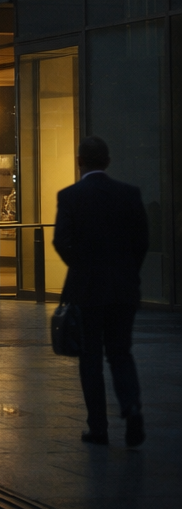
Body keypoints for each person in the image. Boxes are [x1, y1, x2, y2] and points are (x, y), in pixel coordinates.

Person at [54, 136, 149, 447]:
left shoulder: (70, 196)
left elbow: (61, 240)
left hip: (87, 291)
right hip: (123, 288)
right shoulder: (129, 194)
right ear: (107, 162)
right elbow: (142, 242)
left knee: (90, 358)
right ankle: (132, 409)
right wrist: (127, 272)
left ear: (79, 161)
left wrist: (81, 267)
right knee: (121, 353)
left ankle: (98, 427)